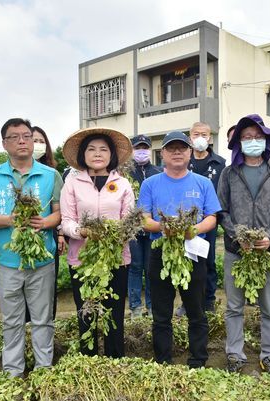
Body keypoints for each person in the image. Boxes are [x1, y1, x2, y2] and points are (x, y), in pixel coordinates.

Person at [0, 118, 62, 377]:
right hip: (7, 261)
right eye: (14, 137)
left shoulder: (51, 175)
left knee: (42, 318)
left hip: (42, 260)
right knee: (12, 319)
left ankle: (43, 369)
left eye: (26, 135)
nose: (22, 141)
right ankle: (13, 371)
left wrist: (44, 222)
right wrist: (11, 220)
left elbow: (59, 213)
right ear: (4, 144)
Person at [138, 131, 221, 368]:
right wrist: (167, 227)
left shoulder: (202, 183)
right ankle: (163, 360)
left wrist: (191, 230)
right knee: (161, 314)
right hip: (160, 252)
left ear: (189, 152)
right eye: (171, 148)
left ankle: (198, 360)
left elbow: (211, 218)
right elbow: (144, 219)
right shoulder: (150, 183)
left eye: (182, 148)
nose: (177, 152)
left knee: (196, 311)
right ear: (162, 153)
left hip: (193, 252)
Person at [217, 114, 270, 373]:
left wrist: (269, 238)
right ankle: (235, 353)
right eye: (247, 137)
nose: (253, 141)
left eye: (258, 137)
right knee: (234, 306)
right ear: (239, 142)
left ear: (266, 141)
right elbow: (221, 211)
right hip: (236, 251)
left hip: (266, 252)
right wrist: (239, 236)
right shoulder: (228, 174)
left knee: (269, 306)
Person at [60, 127, 134, 357]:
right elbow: (67, 220)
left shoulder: (122, 184)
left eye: (103, 149)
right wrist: (81, 232)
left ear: (111, 154)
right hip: (82, 260)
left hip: (116, 259)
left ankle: (115, 359)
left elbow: (129, 220)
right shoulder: (72, 184)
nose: (98, 153)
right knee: (86, 312)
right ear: (83, 155)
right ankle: (88, 360)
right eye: (91, 149)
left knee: (114, 313)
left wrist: (116, 234)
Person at [175, 122, 225, 315]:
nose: (200, 138)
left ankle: (209, 300)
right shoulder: (184, 162)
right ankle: (187, 302)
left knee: (209, 261)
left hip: (209, 220)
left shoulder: (220, 163)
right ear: (190, 137)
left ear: (210, 138)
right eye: (196, 134)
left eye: (204, 134)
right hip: (183, 222)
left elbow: (222, 192)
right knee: (187, 259)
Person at [28, 125, 62, 320]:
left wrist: (60, 234)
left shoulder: (52, 174)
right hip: (22, 238)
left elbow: (60, 210)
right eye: (34, 140)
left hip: (47, 236)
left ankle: (48, 324)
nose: (38, 145)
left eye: (42, 141)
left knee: (48, 287)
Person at [127, 134, 162, 320]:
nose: (141, 151)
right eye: (137, 147)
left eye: (144, 147)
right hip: (132, 230)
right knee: (135, 267)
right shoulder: (125, 173)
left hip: (152, 228)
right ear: (132, 150)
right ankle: (135, 307)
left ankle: (151, 304)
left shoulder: (157, 171)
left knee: (151, 268)